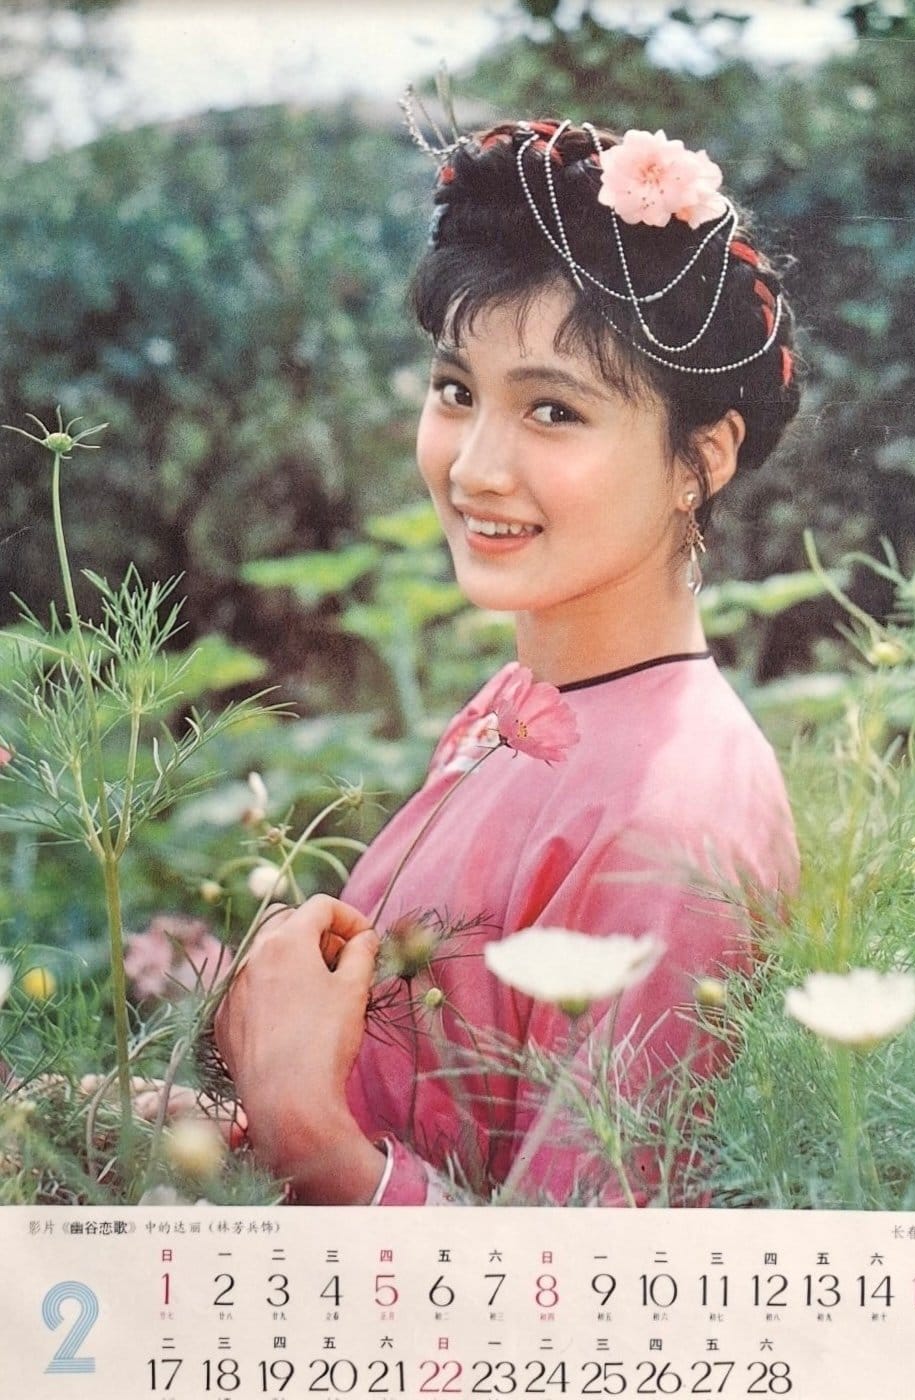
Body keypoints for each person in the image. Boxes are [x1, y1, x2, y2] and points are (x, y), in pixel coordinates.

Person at [213, 117, 801, 1206]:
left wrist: (305, 1132)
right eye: (455, 390)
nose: (475, 467)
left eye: (552, 409)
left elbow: (578, 1289)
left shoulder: (673, 820)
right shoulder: (526, 702)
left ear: (700, 458)